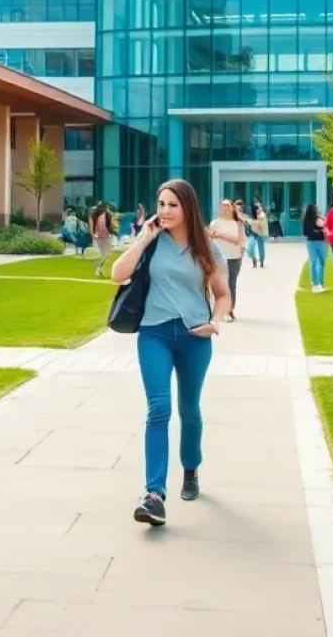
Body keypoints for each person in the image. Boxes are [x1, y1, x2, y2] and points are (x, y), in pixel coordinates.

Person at [111, 180, 231, 527]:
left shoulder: (207, 247)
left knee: (189, 410)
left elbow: (223, 294)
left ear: (187, 208)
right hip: (154, 333)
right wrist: (143, 238)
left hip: (195, 336)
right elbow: (118, 275)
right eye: (160, 203)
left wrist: (216, 321)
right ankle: (154, 495)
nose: (164, 210)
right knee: (159, 408)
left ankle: (191, 469)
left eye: (172, 205)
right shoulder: (152, 242)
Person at [209, 199, 245, 321]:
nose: (225, 209)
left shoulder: (237, 224)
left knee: (231, 284)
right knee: (218, 284)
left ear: (232, 208)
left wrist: (220, 235)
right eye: (223, 206)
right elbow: (210, 238)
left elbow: (238, 240)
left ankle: (229, 310)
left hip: (233, 258)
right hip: (218, 257)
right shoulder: (214, 223)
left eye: (228, 206)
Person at [303, 204, 328, 293]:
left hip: (315, 242)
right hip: (317, 242)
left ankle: (317, 284)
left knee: (317, 263)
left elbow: (305, 233)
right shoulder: (313, 220)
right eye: (316, 208)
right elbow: (325, 223)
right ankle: (317, 283)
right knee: (317, 263)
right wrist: (318, 229)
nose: (318, 210)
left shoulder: (313, 219)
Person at [90, 202, 113, 277]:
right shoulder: (102, 215)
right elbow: (102, 226)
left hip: (100, 236)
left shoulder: (96, 215)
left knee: (106, 253)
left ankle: (99, 269)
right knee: (106, 253)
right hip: (102, 236)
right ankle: (98, 268)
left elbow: (92, 227)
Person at [244, 200, 269, 268]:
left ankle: (261, 261)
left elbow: (259, 223)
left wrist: (249, 221)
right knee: (250, 248)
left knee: (260, 248)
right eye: (256, 207)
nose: (257, 208)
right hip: (253, 233)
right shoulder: (251, 212)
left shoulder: (262, 214)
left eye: (259, 207)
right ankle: (254, 259)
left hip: (260, 233)